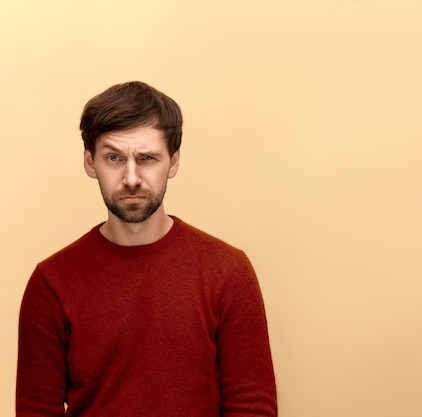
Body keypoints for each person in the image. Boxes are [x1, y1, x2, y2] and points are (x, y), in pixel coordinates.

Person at [16, 81, 277, 417]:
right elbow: (37, 410)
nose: (131, 177)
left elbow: (251, 408)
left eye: (147, 158)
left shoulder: (228, 271)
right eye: (114, 158)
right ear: (90, 162)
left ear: (173, 162)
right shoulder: (51, 283)